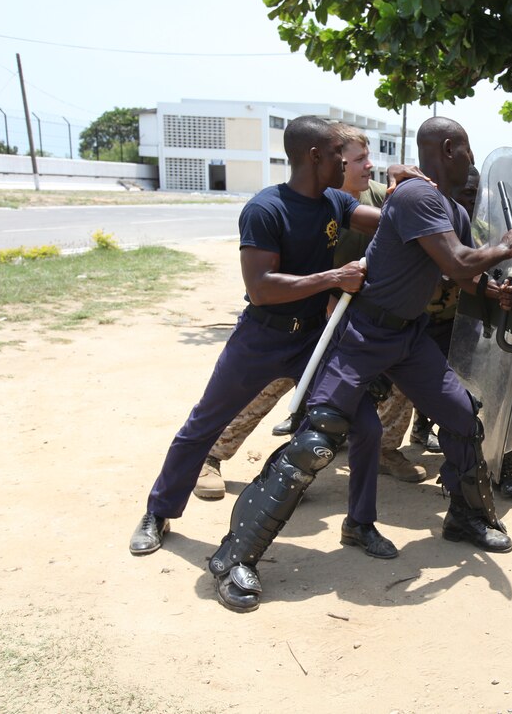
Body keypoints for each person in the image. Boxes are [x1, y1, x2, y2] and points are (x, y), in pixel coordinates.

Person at [207, 117, 512, 612]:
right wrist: (503, 248)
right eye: (465, 150)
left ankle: (467, 517)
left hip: (410, 335)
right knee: (317, 440)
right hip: (365, 333)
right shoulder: (415, 197)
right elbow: (463, 262)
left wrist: (496, 292)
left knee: (462, 416)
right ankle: (235, 557)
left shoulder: (448, 209)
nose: (470, 160)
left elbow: (460, 276)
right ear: (448, 149)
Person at [128, 116, 376, 555]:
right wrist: (336, 276)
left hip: (312, 340)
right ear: (315, 156)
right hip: (263, 336)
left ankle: (360, 524)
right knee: (204, 424)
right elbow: (261, 288)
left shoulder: (335, 202)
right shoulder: (266, 209)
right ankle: (158, 511)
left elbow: (380, 221)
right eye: (340, 153)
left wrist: (413, 196)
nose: (347, 161)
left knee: (365, 423)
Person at [193, 123, 393, 499]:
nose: (369, 166)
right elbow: (276, 278)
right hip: (303, 316)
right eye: (358, 159)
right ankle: (212, 455)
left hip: (349, 316)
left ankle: (315, 465)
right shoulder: (305, 203)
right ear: (332, 162)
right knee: (267, 389)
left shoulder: (376, 198)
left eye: (368, 157)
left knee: (358, 390)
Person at [376, 165, 512, 501]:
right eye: (463, 190)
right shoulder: (426, 212)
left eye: (474, 192)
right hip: (418, 321)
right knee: (401, 392)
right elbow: (454, 266)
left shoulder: (482, 226)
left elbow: (484, 274)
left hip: (462, 322)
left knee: (506, 380)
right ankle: (386, 449)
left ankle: (502, 455)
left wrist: (500, 291)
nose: (469, 197)